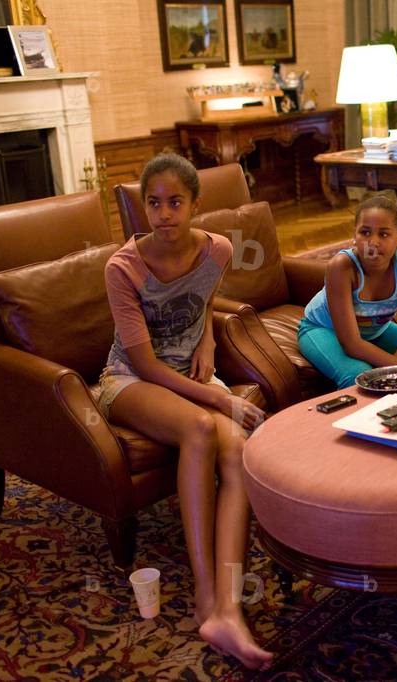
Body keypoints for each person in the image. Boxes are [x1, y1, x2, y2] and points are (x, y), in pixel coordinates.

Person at [98, 153, 273, 670]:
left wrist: (210, 347)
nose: (164, 213)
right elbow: (146, 364)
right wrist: (221, 396)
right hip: (131, 379)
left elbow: (203, 308)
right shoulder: (122, 268)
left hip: (192, 375)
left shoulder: (217, 250)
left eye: (176, 202)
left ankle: (229, 607)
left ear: (196, 205)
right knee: (202, 427)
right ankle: (204, 596)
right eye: (154, 203)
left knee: (238, 449)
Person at [298, 195, 397, 388]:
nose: (373, 242)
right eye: (365, 233)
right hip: (323, 330)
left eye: (384, 234)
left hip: (375, 332)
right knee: (357, 375)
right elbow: (351, 343)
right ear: (355, 235)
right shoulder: (341, 266)